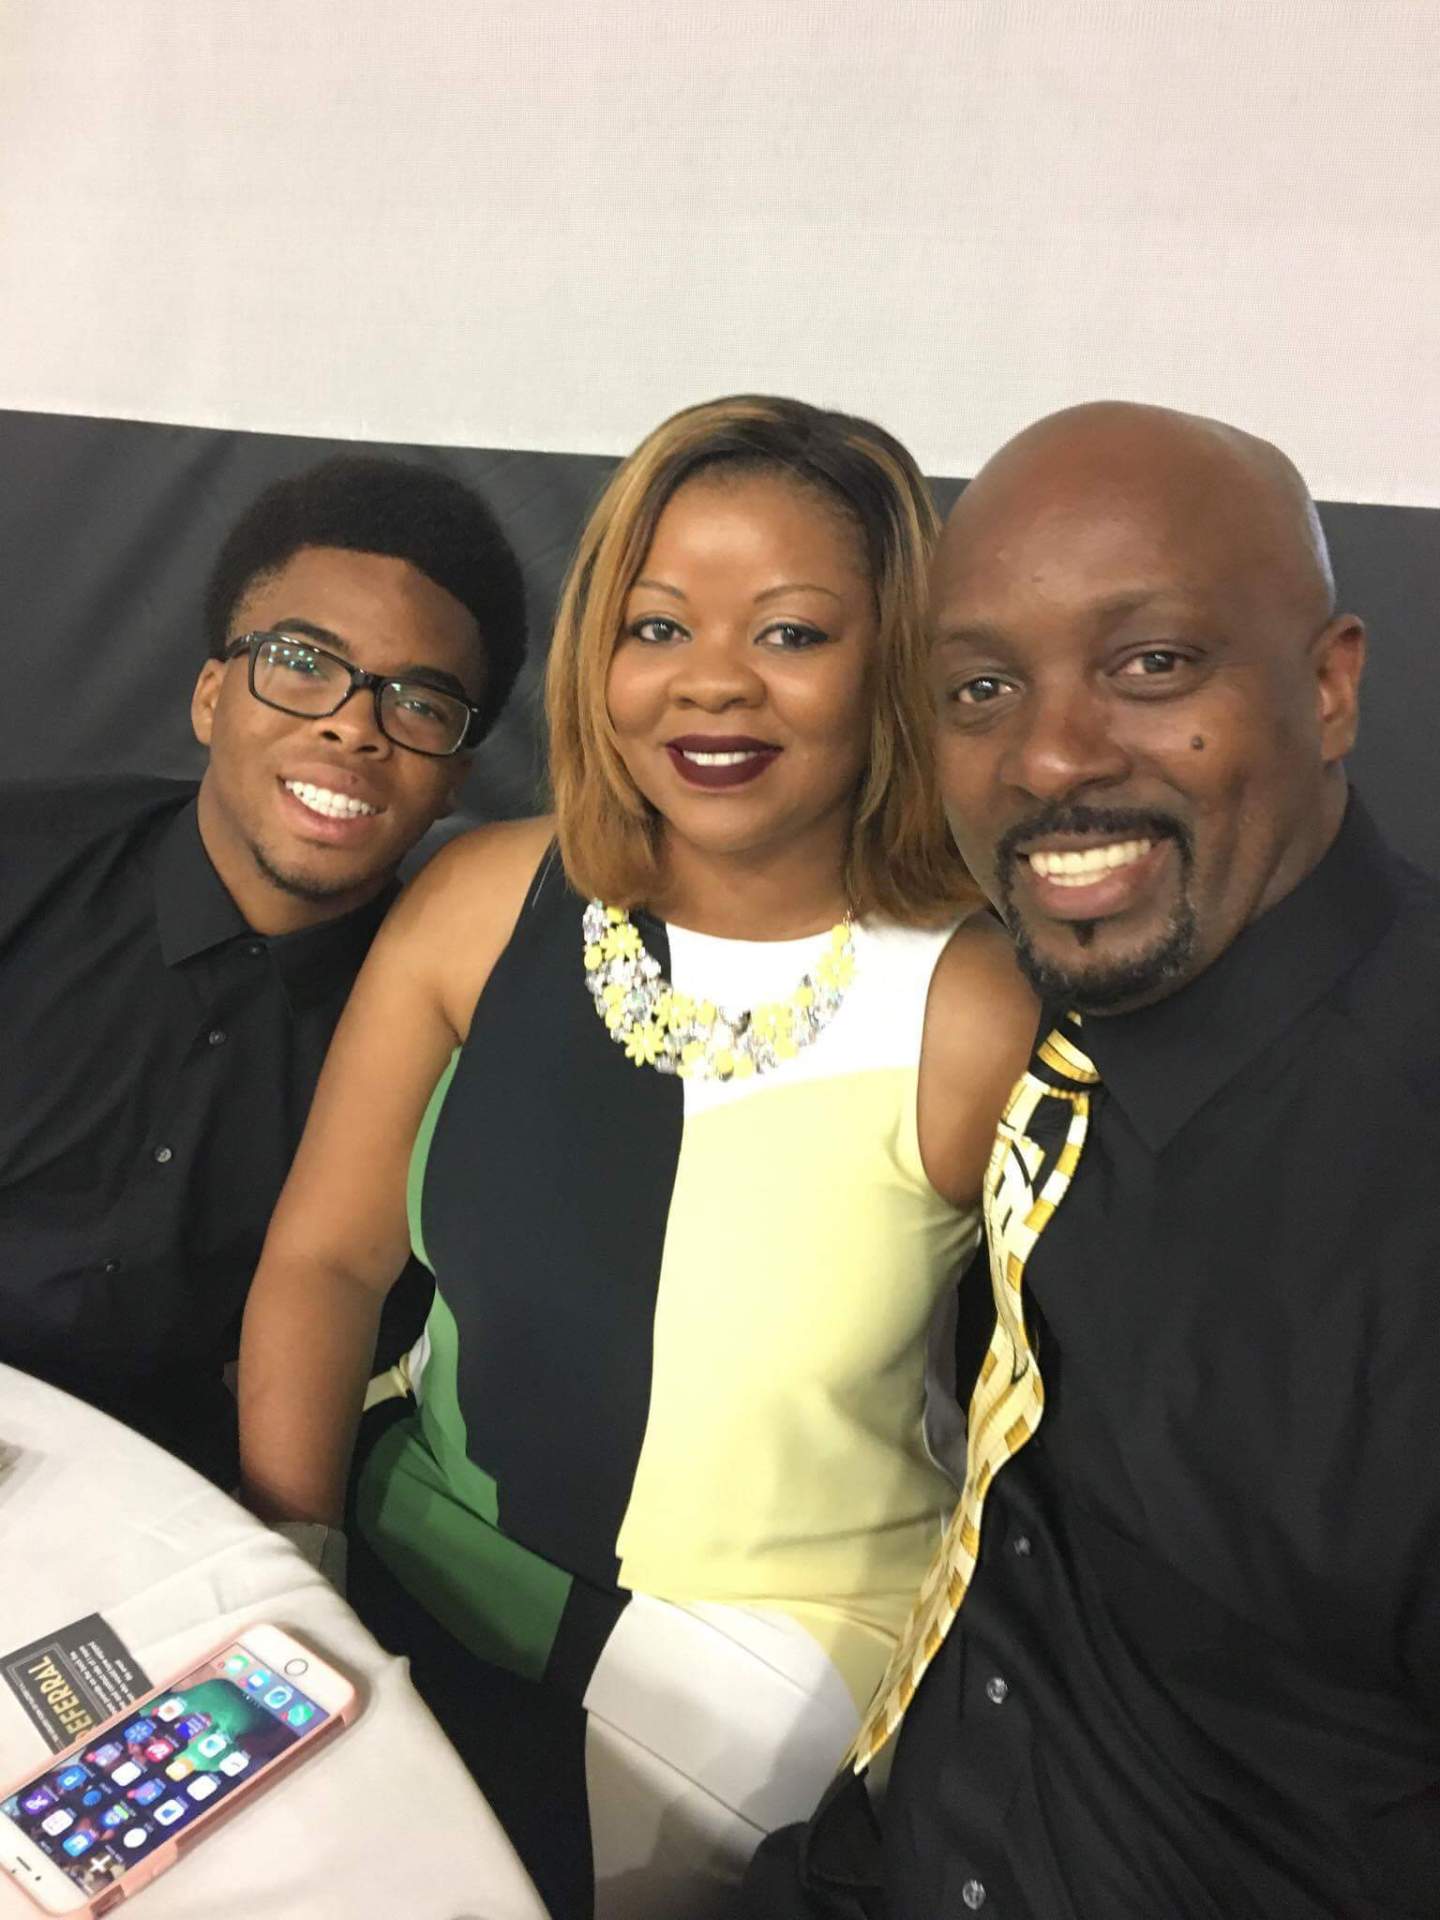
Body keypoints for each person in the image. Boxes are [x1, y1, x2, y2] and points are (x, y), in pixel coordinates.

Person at [236, 394, 1039, 1919]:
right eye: (658, 627)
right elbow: (326, 1260)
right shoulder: (485, 899)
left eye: (794, 634)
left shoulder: (976, 1003)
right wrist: (293, 1568)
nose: (712, 686)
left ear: (896, 662)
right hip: (406, 1569)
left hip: (760, 1683)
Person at [743, 401, 1440, 1919]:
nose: (1050, 755)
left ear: (1328, 689)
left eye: (1152, 666)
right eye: (983, 687)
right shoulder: (1056, 1047)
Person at [0, 453, 526, 1487]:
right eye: (301, 660)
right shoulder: (23, 859)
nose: (351, 725)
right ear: (210, 696)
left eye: (418, 703)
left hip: (188, 1537)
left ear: (455, 778)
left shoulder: (461, 1021)